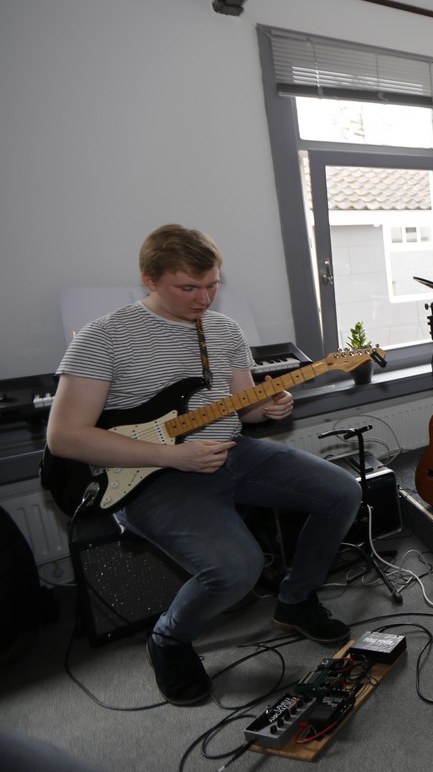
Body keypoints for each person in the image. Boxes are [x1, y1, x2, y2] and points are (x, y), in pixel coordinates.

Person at [46, 225, 362, 706]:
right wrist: (172, 455)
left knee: (342, 491)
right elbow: (65, 437)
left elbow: (243, 409)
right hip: (153, 476)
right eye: (188, 287)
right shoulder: (103, 337)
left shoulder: (224, 329)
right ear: (150, 280)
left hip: (231, 452)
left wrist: (269, 407)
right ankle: (168, 639)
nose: (204, 298)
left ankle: (296, 601)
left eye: (212, 285)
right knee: (237, 569)